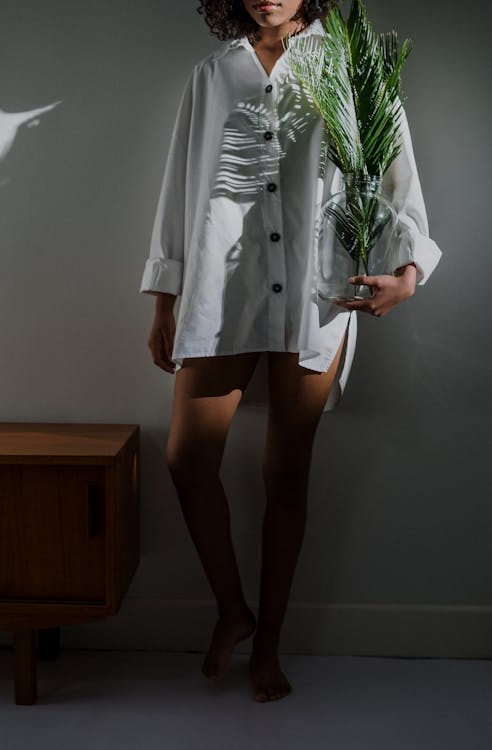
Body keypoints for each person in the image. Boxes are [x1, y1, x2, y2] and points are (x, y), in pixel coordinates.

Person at [139, 0, 442, 703]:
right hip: (222, 288)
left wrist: (411, 273)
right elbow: (178, 187)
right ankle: (232, 611)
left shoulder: (351, 70)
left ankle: (268, 645)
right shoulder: (213, 76)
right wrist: (164, 296)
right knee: (187, 457)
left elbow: (398, 176)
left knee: (287, 474)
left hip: (320, 289)